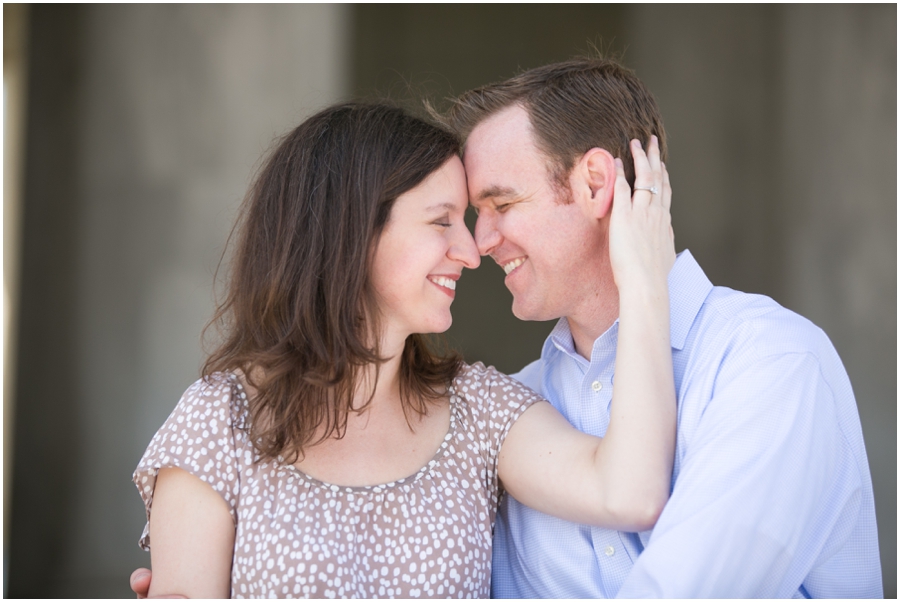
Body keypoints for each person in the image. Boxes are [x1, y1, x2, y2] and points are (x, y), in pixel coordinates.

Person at [131, 101, 678, 597]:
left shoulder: (478, 411)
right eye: (442, 221)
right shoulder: (219, 420)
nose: (470, 251)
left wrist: (644, 282)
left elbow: (627, 492)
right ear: (349, 233)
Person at [440, 57, 882, 598]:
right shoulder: (514, 412)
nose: (479, 242)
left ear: (595, 184)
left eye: (502, 204)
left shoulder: (770, 362)